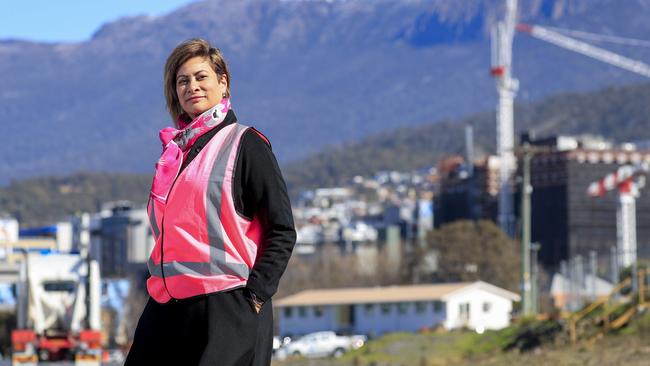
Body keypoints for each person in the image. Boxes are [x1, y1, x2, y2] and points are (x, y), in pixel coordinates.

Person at [125, 38, 296, 366]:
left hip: (227, 307)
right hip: (168, 304)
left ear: (223, 82)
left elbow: (282, 229)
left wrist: (256, 296)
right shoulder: (175, 155)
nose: (192, 86)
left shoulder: (245, 144)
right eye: (182, 80)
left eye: (201, 77)